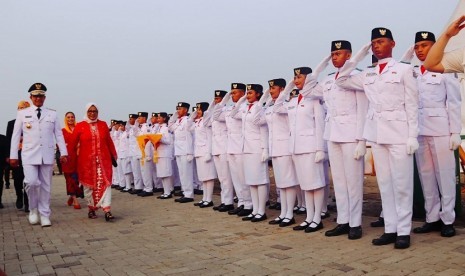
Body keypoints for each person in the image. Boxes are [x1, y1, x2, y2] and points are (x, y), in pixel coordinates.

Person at [336, 28, 419, 249]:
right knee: (384, 184)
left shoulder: (403, 70)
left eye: (381, 41)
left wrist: (412, 135)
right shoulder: (368, 74)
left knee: (402, 185)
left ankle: (403, 231)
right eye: (373, 43)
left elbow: (412, 105)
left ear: (392, 43)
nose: (376, 46)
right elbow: (341, 80)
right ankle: (390, 229)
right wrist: (358, 57)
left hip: (400, 133)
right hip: (378, 134)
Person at [404, 31, 461, 237]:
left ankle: (447, 219)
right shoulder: (412, 72)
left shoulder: (444, 69)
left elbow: (454, 102)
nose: (420, 50)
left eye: (425, 45)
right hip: (420, 130)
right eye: (417, 46)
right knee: (426, 176)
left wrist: (455, 131)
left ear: (434, 46)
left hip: (441, 130)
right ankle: (432, 217)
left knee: (444, 176)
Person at [316, 40, 368, 240]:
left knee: (353, 182)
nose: (335, 57)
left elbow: (362, 109)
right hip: (333, 134)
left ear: (349, 55)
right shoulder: (328, 80)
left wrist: (361, 140)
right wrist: (323, 64)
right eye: (333, 54)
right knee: (338, 181)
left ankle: (355, 224)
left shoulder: (357, 77)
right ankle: (343, 220)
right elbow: (307, 89)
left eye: (339, 53)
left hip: (351, 136)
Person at [274, 68, 326, 233]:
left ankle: (317, 218)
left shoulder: (314, 100)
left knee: (315, 185)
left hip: (311, 147)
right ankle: (309, 217)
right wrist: (288, 88)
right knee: (305, 185)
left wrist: (320, 148)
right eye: (294, 77)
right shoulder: (293, 101)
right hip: (296, 148)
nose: (296, 80)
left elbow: (320, 124)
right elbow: (277, 107)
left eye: (299, 77)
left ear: (308, 78)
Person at [9, 83, 68, 227]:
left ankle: (45, 214)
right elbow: (16, 135)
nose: (38, 98)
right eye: (35, 96)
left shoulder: (52, 114)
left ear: (44, 97)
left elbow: (59, 135)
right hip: (29, 154)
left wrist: (64, 152)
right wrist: (13, 155)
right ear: (31, 97)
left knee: (46, 186)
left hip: (46, 154)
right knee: (31, 182)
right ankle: (33, 209)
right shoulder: (23, 113)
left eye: (41, 95)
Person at [255, 78, 299, 227]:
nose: (271, 91)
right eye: (269, 89)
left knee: (289, 182)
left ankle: (289, 214)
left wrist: (283, 95)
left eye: (273, 89)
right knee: (281, 183)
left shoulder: (288, 104)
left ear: (281, 89)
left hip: (286, 147)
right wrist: (264, 100)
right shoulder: (270, 107)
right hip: (275, 148)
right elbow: (256, 119)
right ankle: (283, 213)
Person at [67, 103, 117, 221]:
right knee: (89, 187)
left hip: (103, 161)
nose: (92, 113)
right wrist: (68, 158)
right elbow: (72, 144)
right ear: (86, 112)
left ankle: (107, 210)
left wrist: (114, 155)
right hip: (86, 163)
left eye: (95, 111)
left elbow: (109, 141)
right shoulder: (80, 126)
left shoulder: (103, 125)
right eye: (90, 111)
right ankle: (91, 208)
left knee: (106, 184)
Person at [230, 84, 270, 222]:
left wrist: (265, 149)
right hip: (246, 148)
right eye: (247, 93)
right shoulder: (246, 108)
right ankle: (254, 210)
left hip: (257, 148)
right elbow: (233, 114)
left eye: (251, 93)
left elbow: (263, 129)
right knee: (251, 181)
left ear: (258, 94)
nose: (248, 95)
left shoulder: (260, 108)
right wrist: (241, 100)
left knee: (260, 180)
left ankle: (261, 211)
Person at [214, 83, 253, 217]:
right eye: (231, 93)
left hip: (241, 147)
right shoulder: (229, 108)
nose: (232, 96)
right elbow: (215, 115)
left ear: (243, 94)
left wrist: (241, 101)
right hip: (230, 147)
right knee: (236, 178)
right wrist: (225, 99)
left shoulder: (245, 107)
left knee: (243, 178)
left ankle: (249, 204)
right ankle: (241, 202)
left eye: (235, 93)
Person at [204, 90, 235, 212]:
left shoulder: (226, 111)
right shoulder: (213, 113)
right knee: (221, 177)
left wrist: (222, 103)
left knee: (226, 177)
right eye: (215, 99)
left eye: (218, 99)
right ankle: (224, 200)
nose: (216, 101)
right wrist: (211, 106)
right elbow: (206, 122)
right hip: (216, 148)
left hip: (224, 147)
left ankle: (229, 202)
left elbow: (218, 115)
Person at [6, 100, 31, 211]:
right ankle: (19, 196)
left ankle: (27, 201)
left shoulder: (32, 123)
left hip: (29, 154)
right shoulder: (11, 123)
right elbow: (8, 141)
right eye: (20, 108)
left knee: (28, 179)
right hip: (17, 155)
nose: (22, 110)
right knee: (17, 178)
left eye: (25, 108)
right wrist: (9, 156)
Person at [191, 102, 217, 208]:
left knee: (209, 177)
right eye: (197, 109)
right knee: (203, 177)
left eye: (200, 110)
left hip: (205, 151)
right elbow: (188, 127)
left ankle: (209, 199)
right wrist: (192, 116)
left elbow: (210, 137)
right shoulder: (197, 122)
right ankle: (204, 198)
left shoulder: (206, 122)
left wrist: (208, 152)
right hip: (198, 151)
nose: (198, 111)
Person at [168, 102, 195, 203]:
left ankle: (189, 194)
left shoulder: (187, 121)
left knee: (187, 174)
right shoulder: (178, 122)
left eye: (180, 109)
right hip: (178, 151)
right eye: (177, 109)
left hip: (185, 151)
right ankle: (185, 192)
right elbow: (170, 126)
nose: (178, 110)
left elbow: (189, 138)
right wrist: (175, 115)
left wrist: (190, 152)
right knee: (182, 174)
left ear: (186, 110)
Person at [61, 111, 83, 209]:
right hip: (67, 159)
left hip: (78, 157)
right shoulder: (62, 131)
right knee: (70, 179)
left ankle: (72, 195)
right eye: (68, 117)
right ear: (65, 119)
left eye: (72, 117)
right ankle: (75, 200)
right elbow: (59, 143)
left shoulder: (78, 129)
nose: (70, 119)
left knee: (77, 179)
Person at [155, 112, 175, 199]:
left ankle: (168, 192)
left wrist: (159, 139)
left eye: (159, 118)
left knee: (166, 173)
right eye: (158, 118)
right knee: (161, 174)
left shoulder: (166, 128)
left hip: (165, 153)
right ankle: (165, 191)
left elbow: (168, 141)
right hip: (159, 153)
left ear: (164, 118)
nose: (158, 119)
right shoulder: (158, 128)